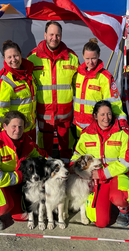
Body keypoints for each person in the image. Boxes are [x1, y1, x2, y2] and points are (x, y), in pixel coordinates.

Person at [70, 100, 129, 228]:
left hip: (117, 175)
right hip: (97, 180)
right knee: (100, 222)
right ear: (95, 116)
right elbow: (78, 153)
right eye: (102, 114)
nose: (106, 118)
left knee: (119, 196)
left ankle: (125, 209)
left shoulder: (123, 132)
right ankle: (108, 203)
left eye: (109, 114)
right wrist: (72, 165)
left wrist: (102, 173)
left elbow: (128, 161)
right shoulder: (87, 133)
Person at [0, 111, 43, 230]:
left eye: (20, 127)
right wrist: (20, 176)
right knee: (3, 207)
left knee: (23, 216)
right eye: (13, 126)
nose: (17, 130)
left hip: (13, 184)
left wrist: (56, 165)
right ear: (5, 126)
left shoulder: (26, 141)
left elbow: (39, 155)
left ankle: (10, 203)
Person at [27, 21, 79, 163]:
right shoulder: (33, 58)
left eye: (57, 35)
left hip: (65, 116)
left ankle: (67, 174)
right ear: (45, 35)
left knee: (66, 150)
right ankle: (46, 176)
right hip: (44, 115)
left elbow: (79, 86)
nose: (54, 38)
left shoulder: (72, 58)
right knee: (44, 151)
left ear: (61, 36)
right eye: (51, 34)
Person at [73, 38, 128, 138]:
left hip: (95, 128)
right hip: (78, 127)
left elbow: (114, 103)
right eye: (87, 59)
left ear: (98, 55)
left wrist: (122, 123)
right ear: (83, 56)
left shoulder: (105, 77)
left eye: (93, 58)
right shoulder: (78, 75)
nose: (90, 62)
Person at [0, 40, 37, 142]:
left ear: (20, 55)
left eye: (16, 56)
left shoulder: (28, 72)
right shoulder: (4, 81)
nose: (13, 60)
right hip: (16, 133)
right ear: (4, 59)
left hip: (30, 129)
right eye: (9, 57)